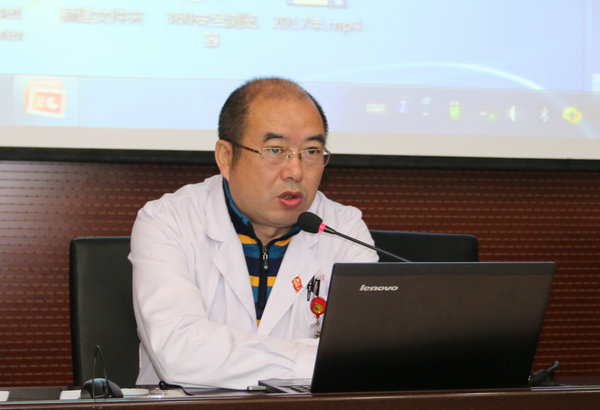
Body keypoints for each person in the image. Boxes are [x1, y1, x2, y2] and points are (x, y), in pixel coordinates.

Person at [129, 77, 378, 389]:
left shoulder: (343, 229)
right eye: (275, 149)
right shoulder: (170, 221)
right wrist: (319, 359)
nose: (295, 171)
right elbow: (179, 353)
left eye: (311, 151)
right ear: (226, 157)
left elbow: (366, 352)